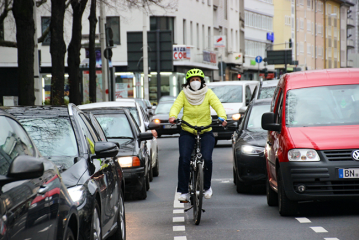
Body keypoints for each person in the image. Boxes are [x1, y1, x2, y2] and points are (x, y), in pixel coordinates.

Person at [169, 68, 227, 202]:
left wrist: (222, 117)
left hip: (205, 130)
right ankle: (183, 191)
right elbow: (176, 105)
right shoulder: (183, 94)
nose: (195, 82)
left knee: (207, 158)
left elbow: (217, 105)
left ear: (202, 81)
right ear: (188, 82)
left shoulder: (208, 93)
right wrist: (173, 116)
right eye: (192, 80)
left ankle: (207, 187)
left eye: (197, 80)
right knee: (184, 158)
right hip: (187, 130)